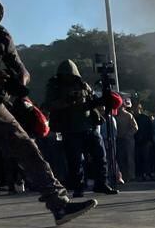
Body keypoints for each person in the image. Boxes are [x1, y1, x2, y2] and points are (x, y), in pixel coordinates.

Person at [0, 0, 93, 224]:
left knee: (26, 147)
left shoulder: (0, 36)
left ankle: (59, 205)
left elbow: (20, 68)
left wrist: (19, 83)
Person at [43, 59, 117, 197]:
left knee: (100, 156)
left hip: (89, 125)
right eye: (65, 74)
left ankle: (101, 183)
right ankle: (79, 187)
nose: (68, 76)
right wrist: (67, 101)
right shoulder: (55, 87)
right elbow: (48, 105)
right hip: (69, 128)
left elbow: (92, 101)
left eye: (70, 74)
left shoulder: (83, 85)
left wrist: (103, 100)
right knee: (75, 161)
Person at [115, 98, 138, 182]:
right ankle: (122, 175)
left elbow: (135, 127)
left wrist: (128, 134)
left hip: (128, 140)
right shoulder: (114, 116)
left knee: (129, 158)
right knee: (119, 158)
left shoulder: (128, 115)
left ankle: (131, 176)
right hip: (118, 140)